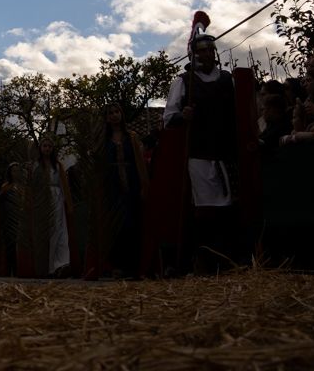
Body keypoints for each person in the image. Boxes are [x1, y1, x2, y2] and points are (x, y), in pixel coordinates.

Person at [163, 33, 239, 272]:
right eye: (201, 50)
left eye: (210, 49)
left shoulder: (227, 79)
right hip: (199, 153)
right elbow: (168, 118)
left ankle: (227, 259)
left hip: (226, 153)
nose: (206, 54)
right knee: (205, 208)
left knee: (229, 207)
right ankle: (205, 260)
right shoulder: (184, 81)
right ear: (193, 55)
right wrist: (182, 116)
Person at [96, 105, 149, 277]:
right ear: (106, 118)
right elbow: (100, 166)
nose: (114, 115)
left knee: (132, 223)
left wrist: (143, 185)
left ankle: (133, 266)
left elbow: (140, 161)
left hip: (132, 183)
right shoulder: (104, 140)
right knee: (116, 225)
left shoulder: (131, 137)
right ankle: (117, 265)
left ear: (122, 114)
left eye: (117, 112)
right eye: (110, 113)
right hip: (112, 187)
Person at [21, 135, 76, 277]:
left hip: (56, 200)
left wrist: (68, 203)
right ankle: (47, 267)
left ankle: (61, 265)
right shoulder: (35, 166)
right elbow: (30, 186)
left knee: (59, 231)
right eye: (44, 146)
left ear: (52, 149)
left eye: (49, 146)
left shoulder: (57, 165)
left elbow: (64, 185)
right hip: (41, 202)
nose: (47, 149)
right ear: (40, 148)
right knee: (45, 233)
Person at [0, 162, 23, 277]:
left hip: (20, 218)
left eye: (17, 171)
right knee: (10, 244)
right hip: (9, 218)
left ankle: (19, 270)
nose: (16, 173)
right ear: (10, 173)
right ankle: (10, 270)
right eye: (13, 171)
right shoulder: (6, 186)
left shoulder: (23, 186)